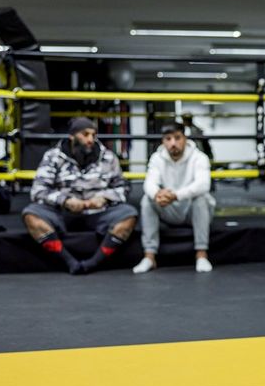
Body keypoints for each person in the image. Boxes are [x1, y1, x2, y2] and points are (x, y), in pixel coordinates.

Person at [22, 117, 137, 274]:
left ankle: (94, 262)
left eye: (94, 135)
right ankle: (69, 261)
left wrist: (104, 198)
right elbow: (38, 190)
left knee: (129, 214)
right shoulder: (53, 156)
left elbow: (123, 188)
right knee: (31, 215)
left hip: (97, 213)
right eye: (85, 134)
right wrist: (65, 201)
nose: (91, 139)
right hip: (63, 213)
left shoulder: (108, 157)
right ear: (72, 136)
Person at [132, 121, 215, 274]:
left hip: (192, 211)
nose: (173, 143)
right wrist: (157, 194)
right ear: (163, 141)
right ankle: (149, 257)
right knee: (147, 199)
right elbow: (149, 183)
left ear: (185, 138)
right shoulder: (157, 158)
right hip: (169, 210)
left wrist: (175, 196)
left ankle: (201, 255)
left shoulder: (199, 157)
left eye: (177, 138)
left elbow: (203, 184)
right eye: (168, 139)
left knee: (201, 198)